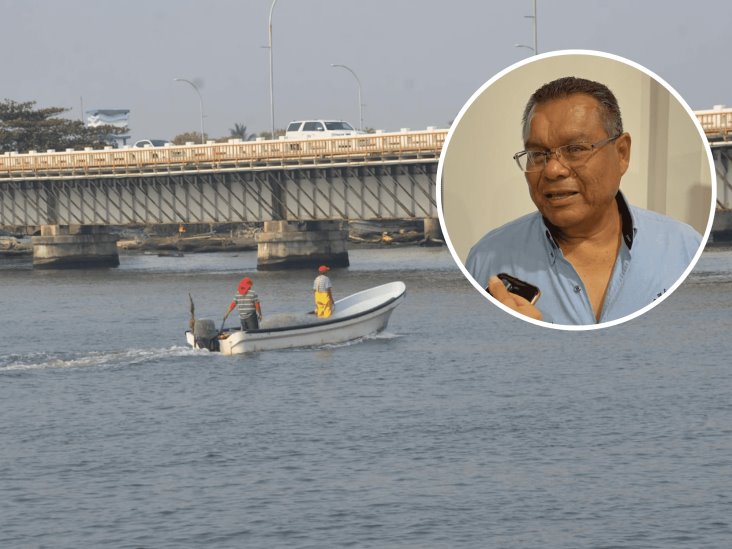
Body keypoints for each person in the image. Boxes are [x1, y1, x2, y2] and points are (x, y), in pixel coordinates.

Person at [465, 76, 702, 325]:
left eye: (576, 149)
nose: (553, 170)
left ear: (621, 153)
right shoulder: (486, 260)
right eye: (537, 154)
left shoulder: (684, 251)